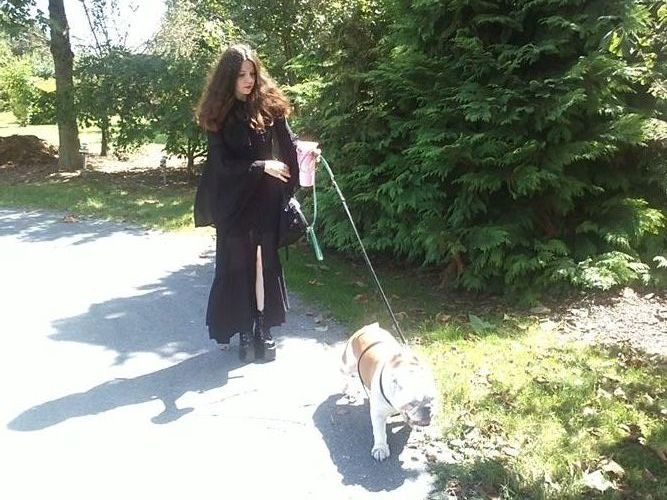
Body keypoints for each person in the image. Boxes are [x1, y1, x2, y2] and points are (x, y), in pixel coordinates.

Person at [193, 44, 300, 362]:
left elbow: (288, 144)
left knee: (263, 264)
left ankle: (262, 328)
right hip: (233, 202)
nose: (248, 80)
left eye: (252, 73)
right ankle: (243, 329)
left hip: (264, 199)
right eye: (241, 75)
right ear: (229, 78)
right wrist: (262, 166)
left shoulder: (269, 105)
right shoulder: (218, 114)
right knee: (237, 266)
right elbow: (221, 166)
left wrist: (305, 156)